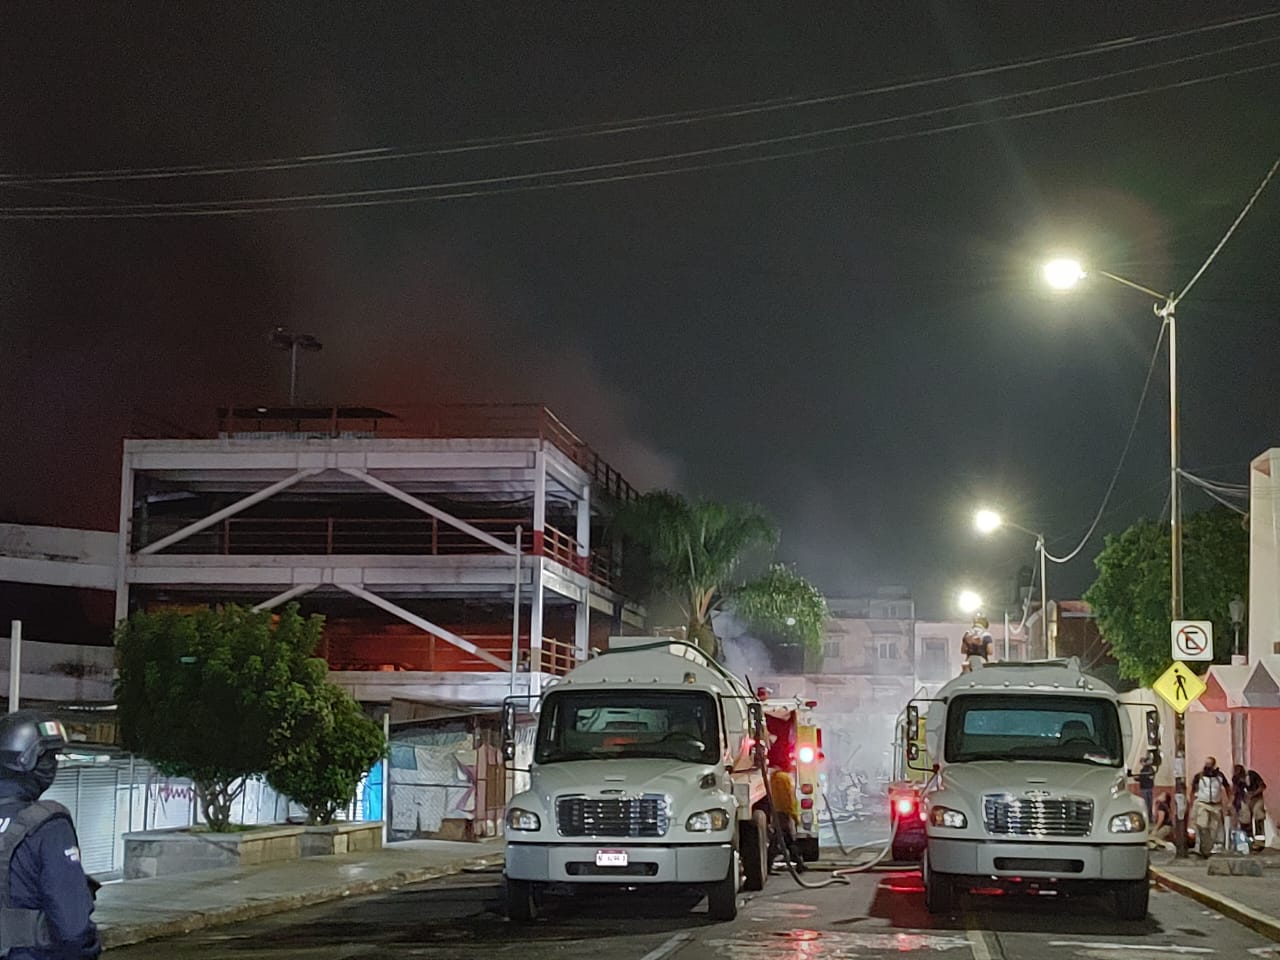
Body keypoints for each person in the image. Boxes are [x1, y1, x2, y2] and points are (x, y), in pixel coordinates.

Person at [0, 711, 101, 960]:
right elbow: (73, 929)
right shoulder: (48, 826)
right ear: (25, 758)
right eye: (49, 756)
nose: (54, 764)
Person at [1189, 755, 1231, 856]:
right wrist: (1191, 801)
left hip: (1216, 805)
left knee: (1214, 828)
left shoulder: (1220, 776)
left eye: (1210, 764)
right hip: (1203, 803)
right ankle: (1200, 847)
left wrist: (1229, 802)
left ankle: (1209, 849)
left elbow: (1227, 788)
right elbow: (1191, 789)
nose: (1207, 766)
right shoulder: (1199, 776)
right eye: (1206, 763)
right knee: (1202, 826)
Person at [1232, 764, 1268, 848]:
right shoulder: (1235, 779)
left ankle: (1260, 842)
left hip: (1256, 798)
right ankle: (1248, 840)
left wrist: (1253, 794)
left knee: (1259, 815)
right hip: (1245, 799)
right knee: (1245, 819)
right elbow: (1235, 791)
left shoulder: (1252, 775)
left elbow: (1262, 786)